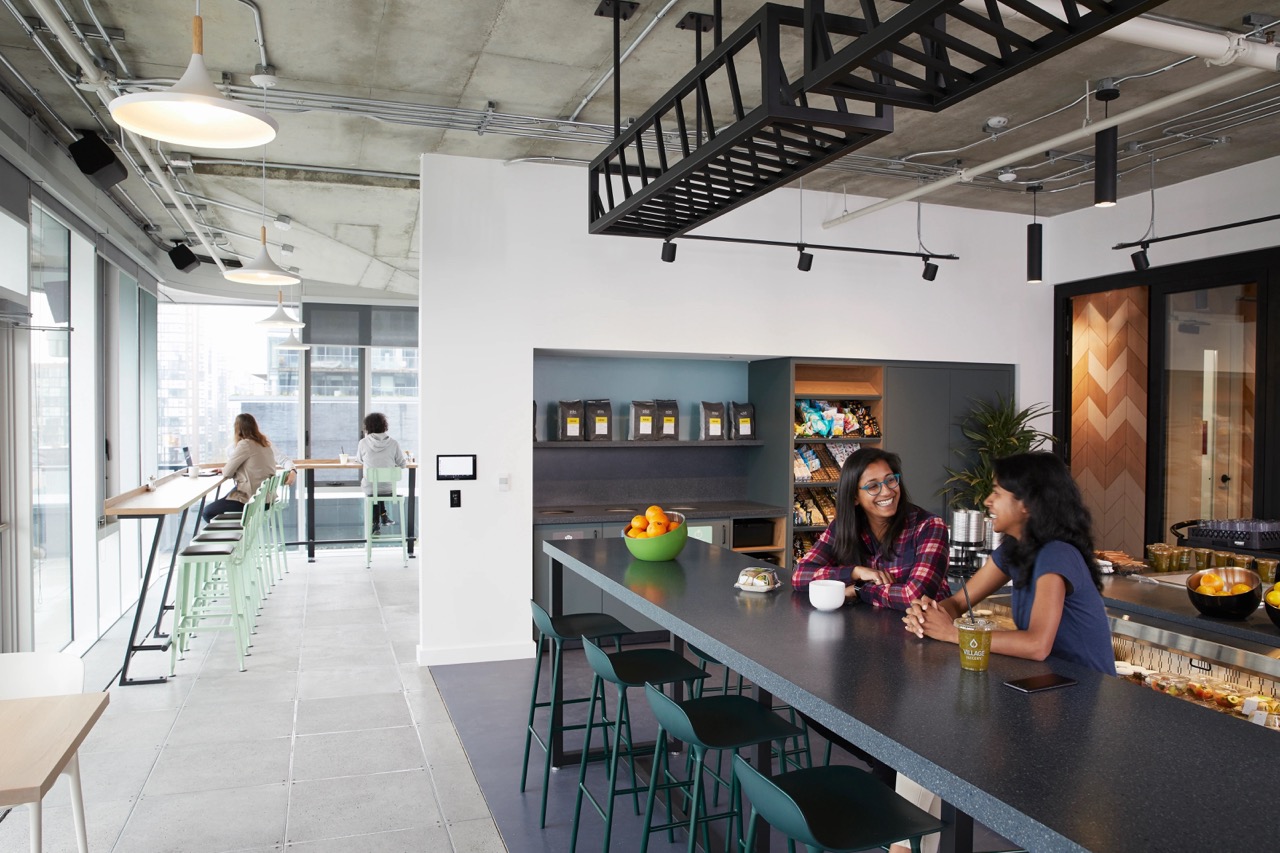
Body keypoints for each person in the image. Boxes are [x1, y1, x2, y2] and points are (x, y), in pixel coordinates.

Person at [903, 451, 1115, 675]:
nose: (987, 501)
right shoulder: (1014, 549)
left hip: (1085, 689)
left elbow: (1037, 645)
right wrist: (927, 615)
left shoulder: (1056, 554)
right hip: (1050, 681)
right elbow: (958, 603)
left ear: (1027, 504)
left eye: (996, 492)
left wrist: (951, 633)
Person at [791, 447, 950, 610]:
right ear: (854, 497)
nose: (887, 491)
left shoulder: (929, 526)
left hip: (923, 630)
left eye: (890, 480)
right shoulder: (844, 527)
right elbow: (800, 575)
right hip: (866, 628)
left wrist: (859, 590)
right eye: (873, 486)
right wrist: (855, 572)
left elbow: (915, 597)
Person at [202, 413, 278, 523]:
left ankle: (234, 537)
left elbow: (227, 473)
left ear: (237, 429)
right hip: (266, 498)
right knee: (229, 496)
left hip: (253, 500)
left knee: (208, 512)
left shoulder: (245, 444)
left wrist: (225, 470)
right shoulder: (264, 444)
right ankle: (238, 534)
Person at [356, 412, 407, 533]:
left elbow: (359, 460)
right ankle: (383, 516)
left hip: (370, 487)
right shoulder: (393, 443)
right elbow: (403, 464)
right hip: (389, 488)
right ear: (384, 425)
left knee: (374, 487)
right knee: (380, 484)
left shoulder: (363, 443)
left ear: (367, 426)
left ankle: (376, 522)